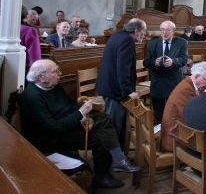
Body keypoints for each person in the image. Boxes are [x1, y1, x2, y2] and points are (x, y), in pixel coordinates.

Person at [20, 60, 140, 189]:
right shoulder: (32, 96)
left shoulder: (54, 85)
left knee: (102, 118)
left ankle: (115, 161)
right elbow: (52, 128)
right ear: (41, 77)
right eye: (55, 71)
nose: (60, 74)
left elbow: (70, 105)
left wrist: (82, 118)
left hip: (66, 125)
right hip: (51, 138)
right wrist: (80, 114)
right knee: (100, 138)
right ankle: (103, 175)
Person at [96, 18, 146, 141]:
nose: (144, 35)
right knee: (113, 126)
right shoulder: (127, 40)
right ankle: (114, 157)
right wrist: (129, 91)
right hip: (115, 89)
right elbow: (122, 68)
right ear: (136, 30)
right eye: (143, 32)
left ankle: (116, 154)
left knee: (113, 124)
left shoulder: (117, 35)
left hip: (109, 86)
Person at [160, 61, 206, 151]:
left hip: (175, 132)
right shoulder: (186, 90)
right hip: (174, 140)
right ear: (196, 76)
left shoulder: (188, 84)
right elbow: (191, 119)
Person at [144, 20, 188, 124]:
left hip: (174, 82)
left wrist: (173, 61)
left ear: (173, 30)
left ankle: (171, 136)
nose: (164, 32)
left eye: (167, 30)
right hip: (158, 82)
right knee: (158, 115)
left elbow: (184, 59)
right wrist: (155, 62)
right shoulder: (152, 43)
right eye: (162, 30)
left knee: (173, 114)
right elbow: (146, 62)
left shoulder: (182, 42)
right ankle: (159, 135)